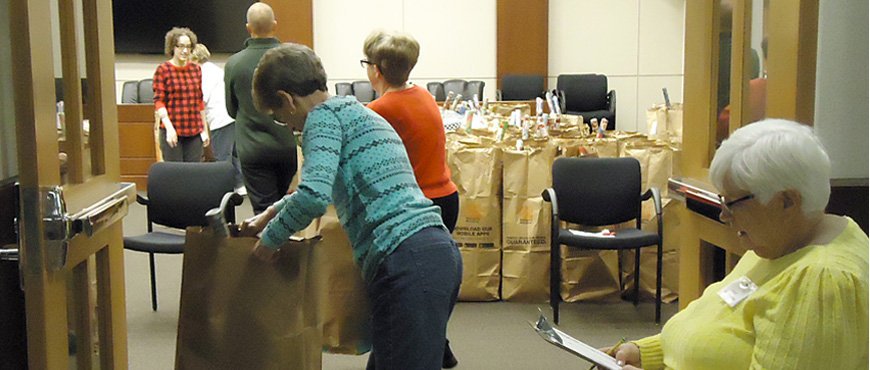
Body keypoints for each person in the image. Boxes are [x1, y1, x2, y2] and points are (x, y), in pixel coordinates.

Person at [241, 43, 462, 370]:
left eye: (278, 117)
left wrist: (269, 243)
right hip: (434, 253)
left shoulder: (320, 120)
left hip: (404, 258)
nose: (286, 126)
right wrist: (268, 215)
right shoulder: (353, 111)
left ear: (288, 100)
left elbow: (313, 197)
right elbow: (322, 188)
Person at [603, 119, 868, 370]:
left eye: (733, 204)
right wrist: (647, 353)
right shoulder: (779, 244)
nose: (724, 215)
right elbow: (719, 322)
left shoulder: (820, 282)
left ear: (787, 201)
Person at [362, 29, 461, 369]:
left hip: (417, 208)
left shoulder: (379, 109)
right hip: (446, 197)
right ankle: (439, 345)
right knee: (428, 290)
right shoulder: (423, 95)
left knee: (409, 296)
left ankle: (429, 347)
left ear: (376, 69)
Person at [225, 2, 297, 213]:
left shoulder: (234, 63)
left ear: (248, 28)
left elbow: (231, 110)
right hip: (287, 146)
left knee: (263, 213)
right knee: (287, 209)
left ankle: (267, 245)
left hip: (253, 148)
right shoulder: (291, 59)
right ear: (275, 25)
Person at [190, 43, 244, 192]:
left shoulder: (204, 73)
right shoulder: (215, 69)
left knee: (222, 156)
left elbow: (202, 99)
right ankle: (239, 185)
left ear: (195, 58)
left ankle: (223, 189)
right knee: (234, 155)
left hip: (219, 119)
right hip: (231, 116)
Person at [152, 27, 209, 162]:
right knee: (175, 175)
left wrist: (204, 129)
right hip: (172, 131)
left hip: (194, 131)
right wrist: (169, 127)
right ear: (173, 47)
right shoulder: (163, 70)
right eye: (181, 46)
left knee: (193, 174)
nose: (185, 51)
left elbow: (199, 100)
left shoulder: (196, 70)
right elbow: (159, 101)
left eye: (188, 47)